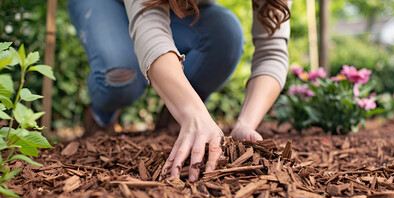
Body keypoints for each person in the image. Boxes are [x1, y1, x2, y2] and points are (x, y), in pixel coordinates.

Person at [67, 0, 291, 182]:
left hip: (177, 8)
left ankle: (175, 117)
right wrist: (192, 112)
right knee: (121, 73)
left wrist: (245, 124)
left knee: (225, 35)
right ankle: (101, 116)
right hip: (107, 4)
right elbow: (151, 32)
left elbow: (272, 52)